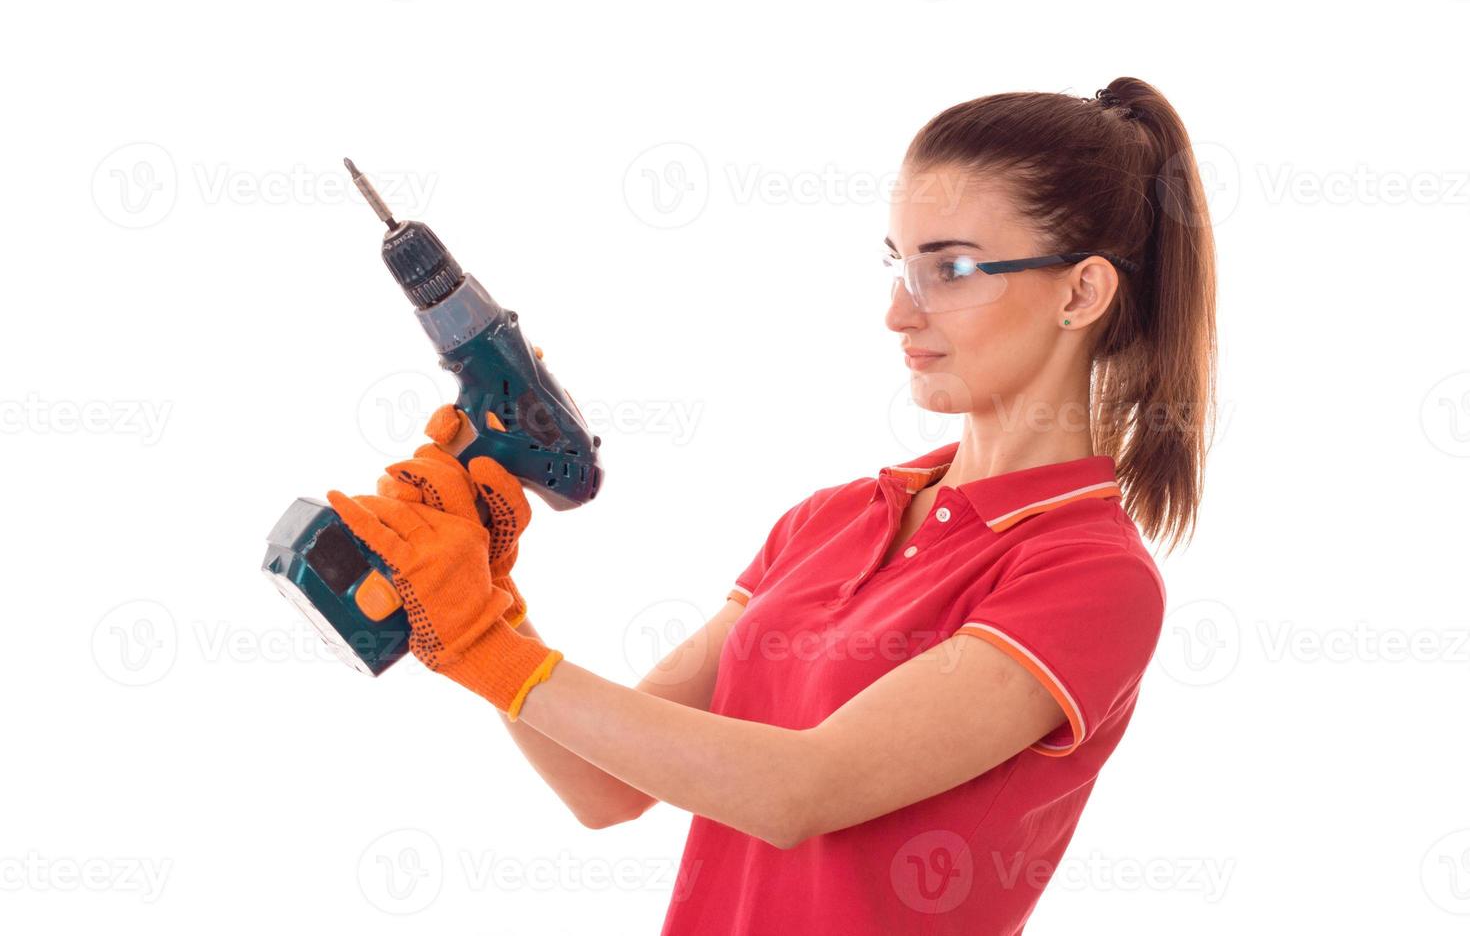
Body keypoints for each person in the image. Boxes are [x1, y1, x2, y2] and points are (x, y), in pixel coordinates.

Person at [327, 75, 1218, 935]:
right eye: (899, 265)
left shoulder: (1091, 574)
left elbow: (800, 790)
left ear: (1082, 292)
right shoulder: (832, 519)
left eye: (950, 269)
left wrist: (478, 644)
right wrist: (491, 602)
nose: (898, 315)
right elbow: (604, 789)